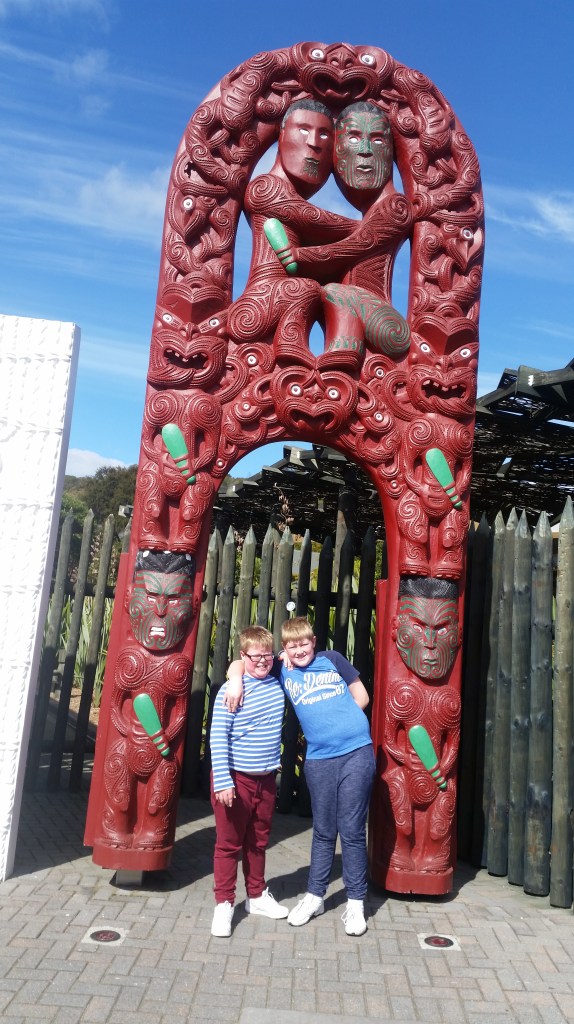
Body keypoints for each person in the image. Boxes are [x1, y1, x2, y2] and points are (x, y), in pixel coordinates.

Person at [226, 616, 375, 936]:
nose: (299, 650)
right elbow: (242, 663)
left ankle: (355, 902)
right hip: (320, 760)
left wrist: (339, 721)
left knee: (351, 829)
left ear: (314, 641)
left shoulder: (332, 660)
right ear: (284, 648)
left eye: (304, 644)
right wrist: (235, 680)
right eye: (292, 646)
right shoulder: (282, 668)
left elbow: (361, 697)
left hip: (356, 753)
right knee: (323, 830)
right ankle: (315, 896)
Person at [226, 98, 357, 354]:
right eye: (304, 130)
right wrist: (372, 229)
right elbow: (313, 218)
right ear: (282, 135)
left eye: (324, 135)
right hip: (258, 302)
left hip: (276, 299)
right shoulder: (266, 188)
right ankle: (290, 346)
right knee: (306, 288)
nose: (314, 143)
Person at [209, 625, 288, 937]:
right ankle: (224, 903)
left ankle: (256, 896)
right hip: (235, 778)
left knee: (258, 842)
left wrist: (280, 658)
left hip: (265, 778)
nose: (263, 661)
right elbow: (218, 736)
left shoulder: (276, 679)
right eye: (255, 657)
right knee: (228, 844)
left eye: (267, 655)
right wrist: (223, 781)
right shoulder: (231, 691)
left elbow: (288, 656)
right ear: (243, 656)